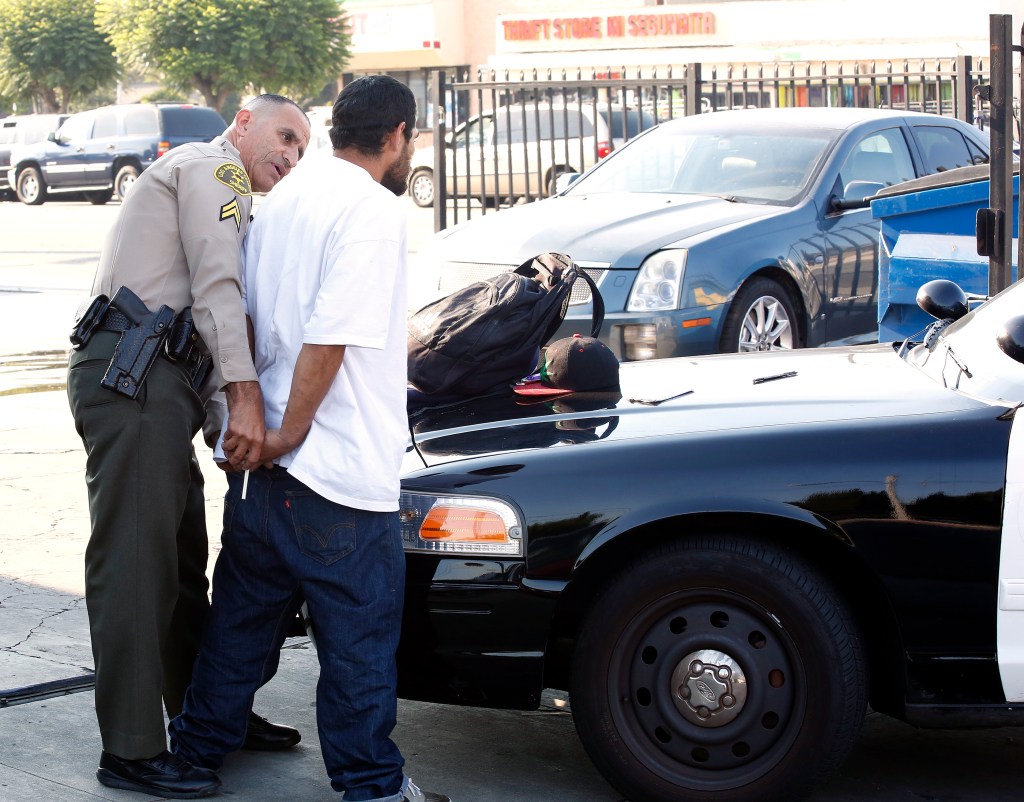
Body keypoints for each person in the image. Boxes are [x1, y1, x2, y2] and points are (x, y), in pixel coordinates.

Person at [168, 76, 450, 802]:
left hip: (260, 467)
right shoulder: (371, 210)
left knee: (240, 624)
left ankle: (194, 755)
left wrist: (256, 425)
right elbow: (331, 339)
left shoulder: (285, 197)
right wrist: (290, 432)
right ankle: (372, 787)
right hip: (333, 469)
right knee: (358, 644)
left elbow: (245, 315)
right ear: (398, 136)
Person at [66, 94, 311, 799]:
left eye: (302, 150)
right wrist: (245, 399)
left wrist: (221, 426)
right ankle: (133, 750)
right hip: (135, 377)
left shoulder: (225, 186)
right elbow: (215, 289)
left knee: (177, 567)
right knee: (137, 567)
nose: (291, 157)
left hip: (158, 381)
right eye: (285, 136)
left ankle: (213, 716)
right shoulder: (216, 169)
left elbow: (197, 331)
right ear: (242, 121)